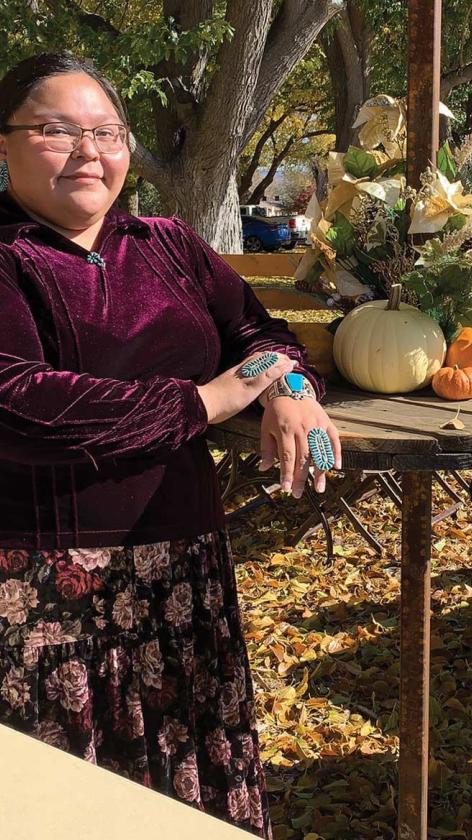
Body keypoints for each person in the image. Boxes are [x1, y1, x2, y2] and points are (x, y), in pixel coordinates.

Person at [0, 53, 341, 838]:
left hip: (180, 574)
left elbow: (259, 333)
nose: (89, 151)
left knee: (184, 795)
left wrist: (288, 389)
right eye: (56, 131)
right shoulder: (8, 258)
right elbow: (19, 401)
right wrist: (203, 400)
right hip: (47, 591)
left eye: (108, 132)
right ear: (6, 144)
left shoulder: (167, 244)